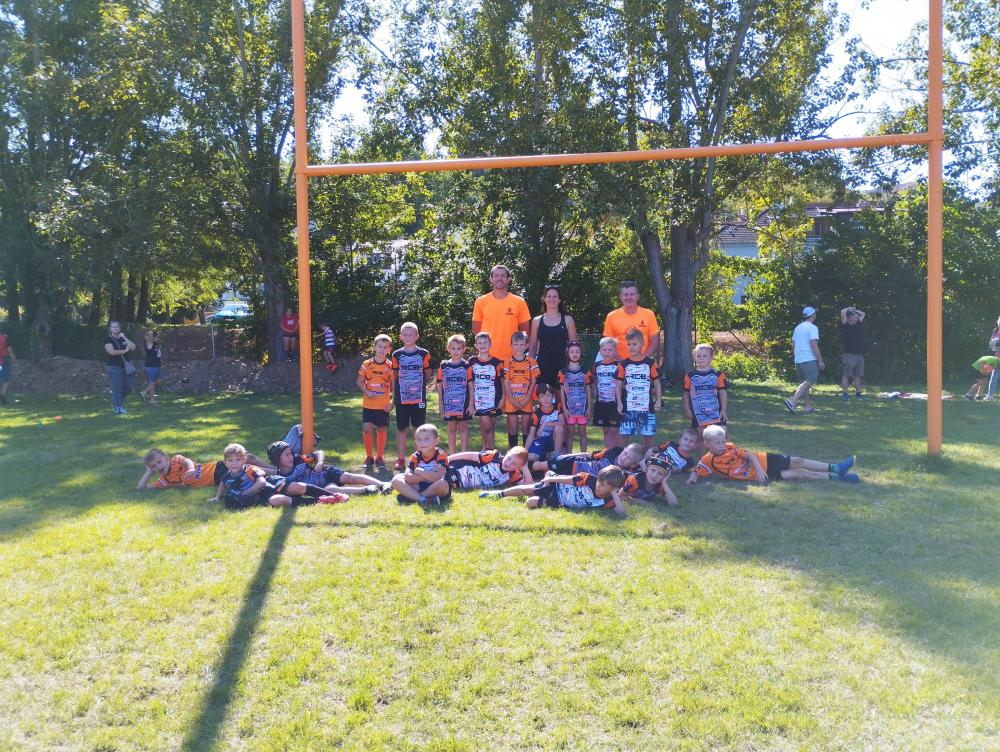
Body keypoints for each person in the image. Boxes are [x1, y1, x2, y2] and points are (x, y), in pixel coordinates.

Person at [688, 425, 859, 485]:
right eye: (718, 443)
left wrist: (759, 470)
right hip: (766, 475)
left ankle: (835, 467)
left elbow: (749, 455)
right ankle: (837, 478)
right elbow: (697, 470)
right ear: (707, 444)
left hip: (765, 460)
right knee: (801, 474)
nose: (722, 445)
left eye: (722, 441)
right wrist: (692, 479)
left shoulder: (729, 447)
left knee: (799, 461)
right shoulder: (708, 460)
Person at [210, 443, 346, 509]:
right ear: (225, 462)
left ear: (244, 460)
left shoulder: (249, 469)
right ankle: (319, 501)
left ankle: (333, 495)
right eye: (230, 461)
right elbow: (223, 484)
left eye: (238, 460)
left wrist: (246, 493)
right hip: (263, 496)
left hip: (271, 484)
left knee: (297, 487)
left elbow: (261, 483)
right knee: (279, 500)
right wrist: (217, 497)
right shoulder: (227, 476)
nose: (234, 463)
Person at [480, 465, 628, 516]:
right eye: (599, 482)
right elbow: (569, 479)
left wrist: (614, 493)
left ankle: (544, 496)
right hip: (557, 487)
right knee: (528, 489)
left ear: (613, 489)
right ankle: (499, 494)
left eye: (603, 485)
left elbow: (621, 514)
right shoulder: (589, 479)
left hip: (558, 502)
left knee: (530, 503)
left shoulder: (608, 500)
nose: (598, 486)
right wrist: (552, 479)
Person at [266, 440, 391, 496]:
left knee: (350, 477)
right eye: (286, 455)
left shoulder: (299, 459)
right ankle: (367, 490)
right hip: (321, 486)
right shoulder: (280, 477)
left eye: (290, 453)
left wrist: (320, 462)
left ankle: (383, 484)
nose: (290, 457)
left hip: (325, 473)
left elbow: (319, 452)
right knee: (333, 490)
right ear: (277, 460)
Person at [391, 322, 432, 472]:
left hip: (418, 397)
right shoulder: (396, 355)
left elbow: (428, 373)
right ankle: (400, 459)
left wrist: (417, 385)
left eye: (411, 334)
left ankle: (419, 458)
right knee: (401, 428)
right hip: (402, 397)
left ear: (417, 336)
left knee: (418, 428)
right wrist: (394, 396)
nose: (408, 337)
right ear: (400, 336)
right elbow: (394, 376)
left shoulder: (424, 354)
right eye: (405, 334)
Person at [138, 447, 274, 490]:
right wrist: (148, 472)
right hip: (216, 479)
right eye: (154, 466)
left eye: (159, 462)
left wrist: (190, 469)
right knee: (246, 470)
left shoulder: (175, 459)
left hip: (215, 467)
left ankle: (275, 469)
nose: (158, 466)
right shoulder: (165, 480)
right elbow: (141, 488)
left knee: (247, 457)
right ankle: (276, 474)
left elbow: (187, 461)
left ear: (166, 458)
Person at [471, 264, 531, 362]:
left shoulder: (519, 302)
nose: (499, 278)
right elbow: (476, 329)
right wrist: (484, 347)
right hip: (487, 358)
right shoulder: (481, 301)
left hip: (512, 357)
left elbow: (525, 331)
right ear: (491, 279)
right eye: (496, 275)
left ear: (508, 279)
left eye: (503, 276)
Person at [616, 328, 662, 448]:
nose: (631, 347)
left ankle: (648, 458)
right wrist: (619, 402)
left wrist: (658, 400)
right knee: (624, 436)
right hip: (628, 406)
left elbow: (657, 382)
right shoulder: (623, 364)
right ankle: (623, 457)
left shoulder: (650, 363)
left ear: (642, 343)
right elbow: (619, 384)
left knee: (649, 437)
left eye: (634, 344)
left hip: (647, 406)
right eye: (629, 344)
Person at [528, 283, 578, 389]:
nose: (552, 299)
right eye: (549, 296)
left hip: (563, 367)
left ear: (559, 300)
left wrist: (573, 367)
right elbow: (532, 346)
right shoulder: (536, 321)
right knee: (543, 398)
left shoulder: (568, 320)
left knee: (562, 399)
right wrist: (530, 367)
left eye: (555, 296)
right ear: (544, 299)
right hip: (542, 368)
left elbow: (574, 346)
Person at [358, 333, 394, 470]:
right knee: (367, 429)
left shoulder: (390, 366)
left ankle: (379, 458)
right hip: (368, 404)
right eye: (380, 346)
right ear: (374, 347)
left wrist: (392, 402)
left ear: (389, 349)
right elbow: (359, 381)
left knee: (382, 429)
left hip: (383, 406)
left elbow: (394, 386)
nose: (382, 349)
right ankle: (369, 457)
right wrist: (367, 392)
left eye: (385, 347)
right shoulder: (366, 364)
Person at [391, 423, 452, 505]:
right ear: (416, 442)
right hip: (419, 485)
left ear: (436, 441)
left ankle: (411, 497)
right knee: (396, 480)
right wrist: (428, 476)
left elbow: (436, 477)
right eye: (419, 439)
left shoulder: (441, 455)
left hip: (437, 488)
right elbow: (407, 477)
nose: (422, 442)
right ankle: (423, 499)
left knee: (442, 484)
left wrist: (418, 471)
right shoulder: (415, 456)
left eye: (427, 439)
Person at [602, 281, 661, 362]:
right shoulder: (611, 316)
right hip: (617, 363)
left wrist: (642, 360)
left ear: (637, 296)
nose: (628, 297)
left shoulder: (649, 314)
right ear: (620, 297)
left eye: (632, 294)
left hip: (643, 363)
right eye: (625, 294)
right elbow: (607, 344)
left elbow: (654, 342)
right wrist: (622, 362)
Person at [784, 306, 824, 415]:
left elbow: (793, 344)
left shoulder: (797, 328)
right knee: (809, 381)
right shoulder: (813, 327)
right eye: (815, 313)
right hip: (809, 358)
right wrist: (820, 360)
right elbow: (813, 344)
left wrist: (796, 356)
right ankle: (792, 401)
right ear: (812, 315)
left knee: (804, 383)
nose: (816, 315)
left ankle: (807, 406)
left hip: (798, 359)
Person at [503, 331, 539, 450]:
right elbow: (506, 382)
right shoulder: (507, 362)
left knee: (525, 428)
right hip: (511, 401)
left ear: (527, 345)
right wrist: (512, 400)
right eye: (516, 344)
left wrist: (527, 398)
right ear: (511, 345)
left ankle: (525, 453)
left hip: (526, 400)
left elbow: (533, 381)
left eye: (522, 344)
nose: (519, 347)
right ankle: (513, 454)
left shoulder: (532, 361)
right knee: (512, 428)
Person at [468, 332, 504, 450]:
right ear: (475, 345)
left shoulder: (496, 362)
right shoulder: (472, 362)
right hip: (479, 399)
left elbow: (503, 382)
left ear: (490, 344)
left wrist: (503, 399)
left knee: (490, 427)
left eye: (485, 342)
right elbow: (470, 383)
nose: (482, 345)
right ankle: (491, 451)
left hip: (493, 400)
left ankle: (487, 450)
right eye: (480, 343)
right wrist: (471, 402)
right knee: (487, 426)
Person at [683, 344, 729, 435]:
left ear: (711, 357)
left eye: (705, 356)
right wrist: (687, 409)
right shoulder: (690, 376)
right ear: (694, 357)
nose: (701, 358)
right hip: (698, 413)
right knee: (701, 437)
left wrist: (724, 410)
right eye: (698, 356)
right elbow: (686, 393)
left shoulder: (718, 375)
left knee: (720, 435)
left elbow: (723, 393)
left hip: (716, 412)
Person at [437, 334, 471, 453]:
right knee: (451, 428)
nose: (456, 351)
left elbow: (471, 386)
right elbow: (440, 386)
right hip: (449, 403)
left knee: (463, 427)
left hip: (463, 403)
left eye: (459, 348)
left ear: (464, 349)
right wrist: (441, 404)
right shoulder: (443, 366)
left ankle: (464, 454)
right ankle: (452, 455)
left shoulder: (467, 365)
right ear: (448, 349)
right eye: (453, 348)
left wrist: (471, 404)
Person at [445, 446, 532, 492]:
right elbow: (471, 455)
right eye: (509, 458)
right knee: (444, 478)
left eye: (514, 464)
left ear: (518, 467)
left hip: (463, 483)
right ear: (507, 453)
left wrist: (525, 467)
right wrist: (450, 458)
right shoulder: (493, 456)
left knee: (448, 486)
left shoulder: (512, 474)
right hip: (459, 470)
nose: (508, 463)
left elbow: (528, 485)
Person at [534, 442, 644, 477]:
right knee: (537, 466)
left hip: (575, 478)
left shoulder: (624, 474)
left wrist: (641, 462)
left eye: (629, 458)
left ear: (633, 463)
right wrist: (568, 456)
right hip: (573, 463)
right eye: (625, 453)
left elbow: (645, 473)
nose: (624, 458)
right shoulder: (610, 453)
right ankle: (526, 465)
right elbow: (589, 455)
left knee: (543, 475)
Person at [559, 341, 592, 452]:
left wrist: (589, 408)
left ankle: (584, 457)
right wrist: (564, 408)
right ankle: (569, 456)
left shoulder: (585, 372)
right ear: (567, 353)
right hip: (569, 409)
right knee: (570, 433)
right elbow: (562, 391)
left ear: (581, 353)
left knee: (582, 432)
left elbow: (588, 390)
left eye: (577, 351)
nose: (574, 354)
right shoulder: (563, 372)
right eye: (572, 351)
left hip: (582, 408)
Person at [591, 336, 622, 448]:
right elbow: (593, 378)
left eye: (610, 350)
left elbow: (623, 382)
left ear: (615, 350)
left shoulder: (619, 365)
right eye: (604, 350)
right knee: (606, 429)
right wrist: (594, 389)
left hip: (614, 402)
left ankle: (617, 451)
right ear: (600, 350)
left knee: (614, 429)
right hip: (601, 402)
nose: (607, 352)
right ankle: (608, 452)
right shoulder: (597, 365)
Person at [524, 382, 565, 462]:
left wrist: (545, 424)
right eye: (542, 396)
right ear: (538, 399)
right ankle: (546, 454)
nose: (545, 399)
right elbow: (532, 434)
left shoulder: (557, 407)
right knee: (531, 457)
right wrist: (524, 452)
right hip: (541, 439)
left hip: (553, 440)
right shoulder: (537, 412)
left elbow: (562, 423)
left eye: (548, 395)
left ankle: (556, 456)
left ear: (553, 396)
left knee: (559, 428)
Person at [104, 321, 137, 415]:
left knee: (129, 387)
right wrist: (124, 351)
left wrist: (124, 337)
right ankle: (118, 408)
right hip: (113, 366)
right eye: (113, 327)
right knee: (117, 387)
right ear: (110, 329)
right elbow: (112, 352)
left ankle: (116, 401)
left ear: (120, 328)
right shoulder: (108, 340)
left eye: (117, 326)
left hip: (126, 367)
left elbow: (133, 347)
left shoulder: (123, 338)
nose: (115, 328)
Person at [839, 306, 867, 401]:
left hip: (859, 354)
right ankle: (845, 394)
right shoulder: (845, 324)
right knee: (846, 374)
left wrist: (854, 311)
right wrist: (849, 308)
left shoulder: (857, 323)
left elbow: (863, 314)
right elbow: (843, 311)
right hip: (849, 354)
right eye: (855, 317)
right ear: (849, 318)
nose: (857, 318)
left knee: (858, 375)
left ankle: (858, 394)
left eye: (857, 318)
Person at [140, 330, 162, 404]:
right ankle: (152, 399)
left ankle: (145, 392)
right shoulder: (149, 344)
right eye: (156, 337)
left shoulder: (155, 344)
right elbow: (149, 335)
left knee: (159, 381)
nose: (158, 339)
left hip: (157, 365)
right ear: (152, 338)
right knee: (152, 382)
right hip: (151, 366)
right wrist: (150, 333)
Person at [985, 315, 1000, 401]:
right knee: (994, 376)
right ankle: (990, 395)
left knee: (995, 376)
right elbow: (991, 345)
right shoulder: (995, 331)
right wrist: (995, 346)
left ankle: (990, 395)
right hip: (997, 357)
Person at [0, 329, 16, 405]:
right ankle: (2, 395)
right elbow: (10, 351)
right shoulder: (5, 338)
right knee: (6, 380)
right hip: (2, 362)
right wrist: (15, 361)